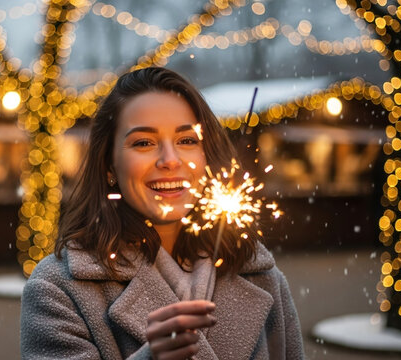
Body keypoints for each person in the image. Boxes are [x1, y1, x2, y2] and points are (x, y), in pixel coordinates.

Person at [20, 67, 304, 359]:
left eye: (187, 140)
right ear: (109, 165)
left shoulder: (261, 274)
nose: (170, 160)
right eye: (144, 143)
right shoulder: (57, 288)